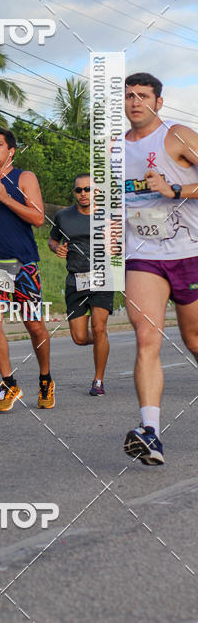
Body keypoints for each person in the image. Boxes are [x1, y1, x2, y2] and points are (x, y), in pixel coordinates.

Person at [123, 73, 198, 465]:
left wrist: (175, 189)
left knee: (194, 341)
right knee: (146, 337)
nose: (135, 102)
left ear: (159, 102)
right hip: (143, 253)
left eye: (143, 96)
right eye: (129, 96)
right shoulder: (113, 150)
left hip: (190, 251)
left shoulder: (178, 136)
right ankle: (150, 432)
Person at [0, 126, 54, 410]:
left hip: (24, 264)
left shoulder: (23, 178)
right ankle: (10, 385)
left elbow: (39, 218)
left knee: (34, 326)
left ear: (11, 151)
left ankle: (45, 379)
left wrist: (6, 197)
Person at [48, 174, 113, 395]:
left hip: (103, 276)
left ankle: (98, 381)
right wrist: (56, 248)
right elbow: (52, 239)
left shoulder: (108, 216)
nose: (83, 193)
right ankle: (102, 340)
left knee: (98, 326)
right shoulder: (63, 216)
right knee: (79, 337)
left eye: (88, 189)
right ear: (74, 192)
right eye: (79, 190)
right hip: (75, 279)